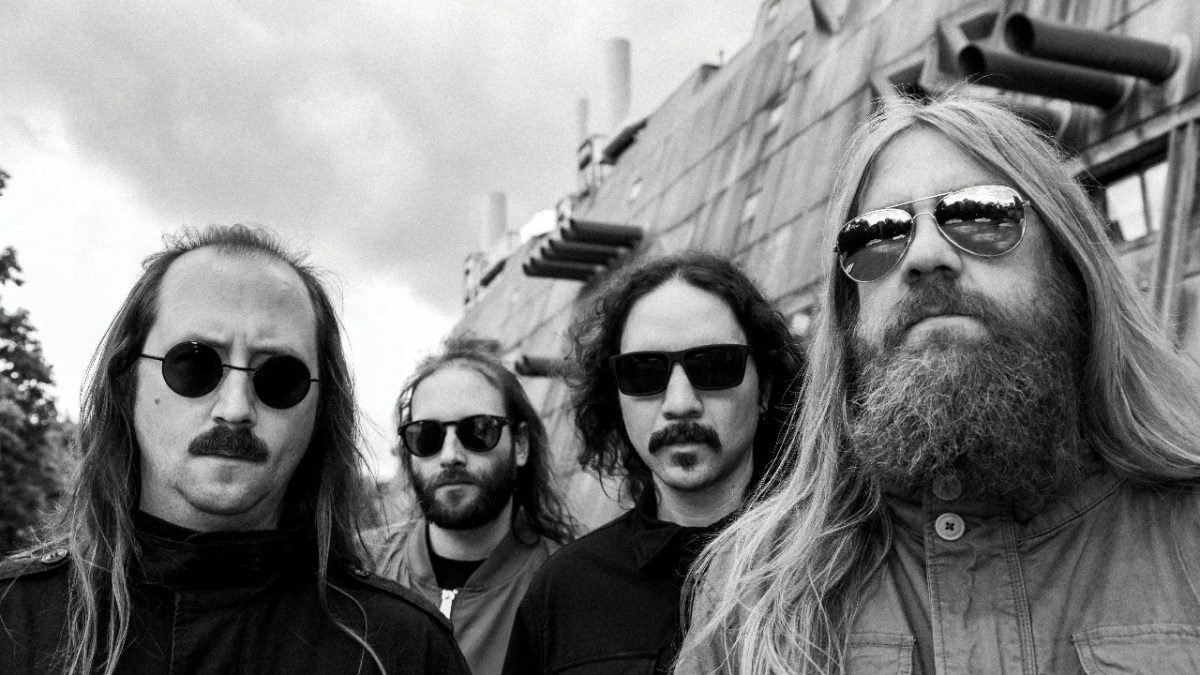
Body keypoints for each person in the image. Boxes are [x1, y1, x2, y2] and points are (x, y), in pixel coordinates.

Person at [676, 95, 1200, 675]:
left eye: (980, 213)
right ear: (849, 311)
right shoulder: (752, 593)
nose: (924, 255)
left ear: (1070, 266)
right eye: (878, 234)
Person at [0, 225, 469, 675]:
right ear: (127, 383)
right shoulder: (12, 621)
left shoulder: (403, 651)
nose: (235, 408)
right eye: (194, 365)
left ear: (322, 408)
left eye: (280, 378)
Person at [504, 251, 803, 674]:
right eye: (644, 372)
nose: (680, 403)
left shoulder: (833, 564)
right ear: (616, 397)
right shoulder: (564, 592)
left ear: (766, 388)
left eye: (714, 365)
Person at [367, 338, 574, 675]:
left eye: (478, 430)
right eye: (426, 435)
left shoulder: (568, 589)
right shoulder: (357, 570)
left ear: (521, 444)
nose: (450, 456)